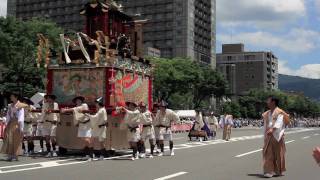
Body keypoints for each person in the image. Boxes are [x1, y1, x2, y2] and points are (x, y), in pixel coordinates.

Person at [262, 96, 289, 178]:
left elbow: (279, 122)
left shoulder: (280, 112)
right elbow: (265, 125)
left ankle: (278, 170)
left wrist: (272, 129)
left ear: (273, 102)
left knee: (278, 154)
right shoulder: (267, 113)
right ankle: (269, 171)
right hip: (268, 136)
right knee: (268, 153)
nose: (267, 102)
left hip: (277, 135)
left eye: (268, 100)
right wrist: (265, 134)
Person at [62, 96, 93, 161]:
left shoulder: (84, 105)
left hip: (87, 124)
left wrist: (66, 110)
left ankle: (91, 156)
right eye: (77, 101)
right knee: (84, 141)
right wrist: (66, 110)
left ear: (81, 101)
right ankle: (87, 155)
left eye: (79, 100)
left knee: (87, 140)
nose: (78, 101)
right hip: (81, 124)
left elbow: (76, 109)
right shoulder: (76, 107)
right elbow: (75, 110)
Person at [0, 93, 24, 161]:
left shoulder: (20, 105)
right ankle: (10, 154)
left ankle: (15, 155)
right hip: (11, 123)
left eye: (12, 96)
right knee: (9, 139)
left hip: (17, 123)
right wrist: (6, 122)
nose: (10, 97)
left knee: (16, 140)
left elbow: (21, 116)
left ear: (16, 97)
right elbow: (8, 115)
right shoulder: (10, 105)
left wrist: (21, 127)